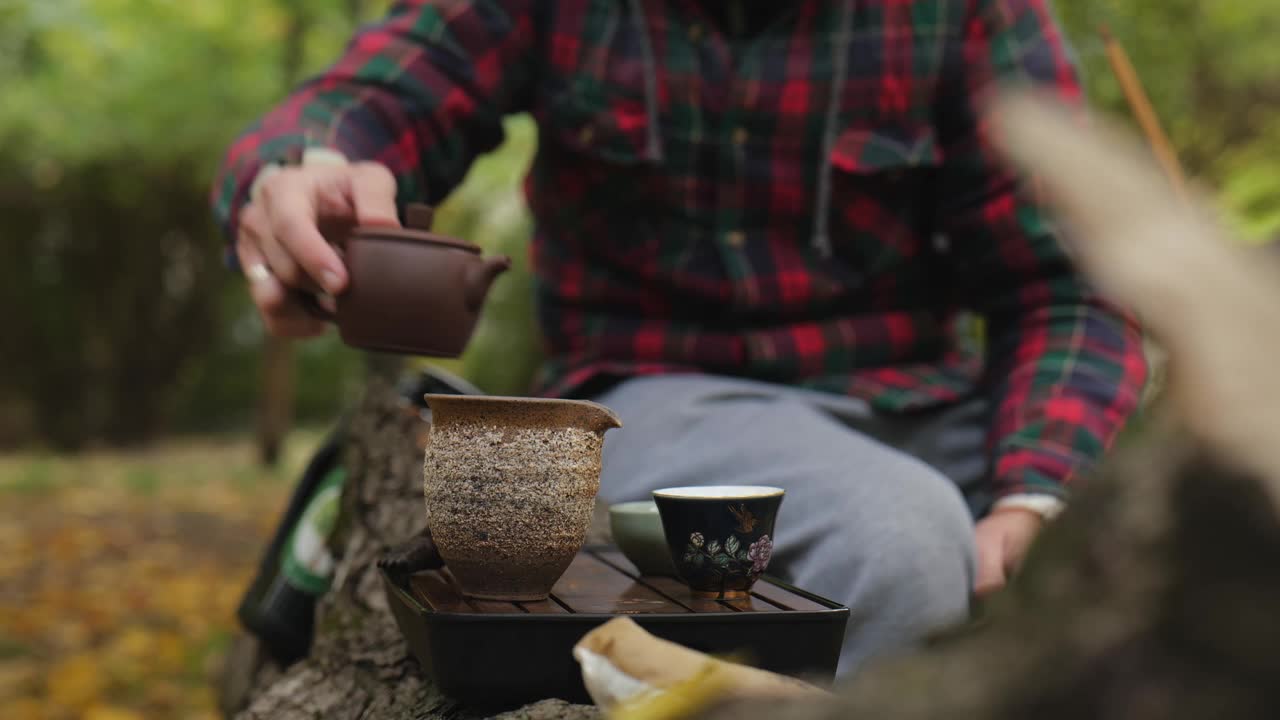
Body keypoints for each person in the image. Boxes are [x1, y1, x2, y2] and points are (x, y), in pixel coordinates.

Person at [211, 0, 1147, 674]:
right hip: (665, 395)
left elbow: (1070, 282)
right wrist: (305, 173)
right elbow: (381, 93)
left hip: (933, 405)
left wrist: (1038, 496)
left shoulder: (968, 14)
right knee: (898, 548)